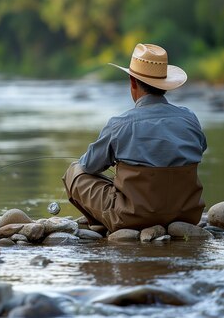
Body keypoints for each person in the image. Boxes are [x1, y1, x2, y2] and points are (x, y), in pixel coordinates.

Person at [63, 43, 207, 232]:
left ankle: (102, 226)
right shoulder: (190, 118)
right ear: (165, 85)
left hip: (133, 217)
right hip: (187, 214)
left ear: (132, 82)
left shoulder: (119, 124)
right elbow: (200, 148)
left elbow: (89, 165)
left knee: (75, 171)